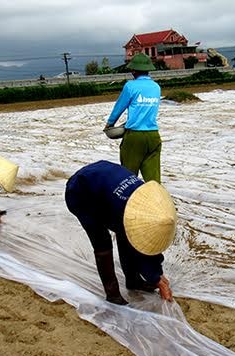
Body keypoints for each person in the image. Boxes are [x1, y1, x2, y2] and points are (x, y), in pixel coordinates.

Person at [65, 160, 176, 305]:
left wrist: (157, 274)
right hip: (79, 193)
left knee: (127, 232)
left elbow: (145, 244)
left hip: (104, 183)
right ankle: (112, 294)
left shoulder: (146, 202)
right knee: (102, 243)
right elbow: (141, 250)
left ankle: (133, 280)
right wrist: (156, 278)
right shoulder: (127, 208)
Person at [105, 53, 162, 183]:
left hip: (135, 137)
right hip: (153, 136)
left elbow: (119, 107)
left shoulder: (130, 86)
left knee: (127, 179)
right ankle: (156, 202)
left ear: (133, 70)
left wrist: (109, 124)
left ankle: (128, 202)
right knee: (153, 181)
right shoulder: (156, 87)